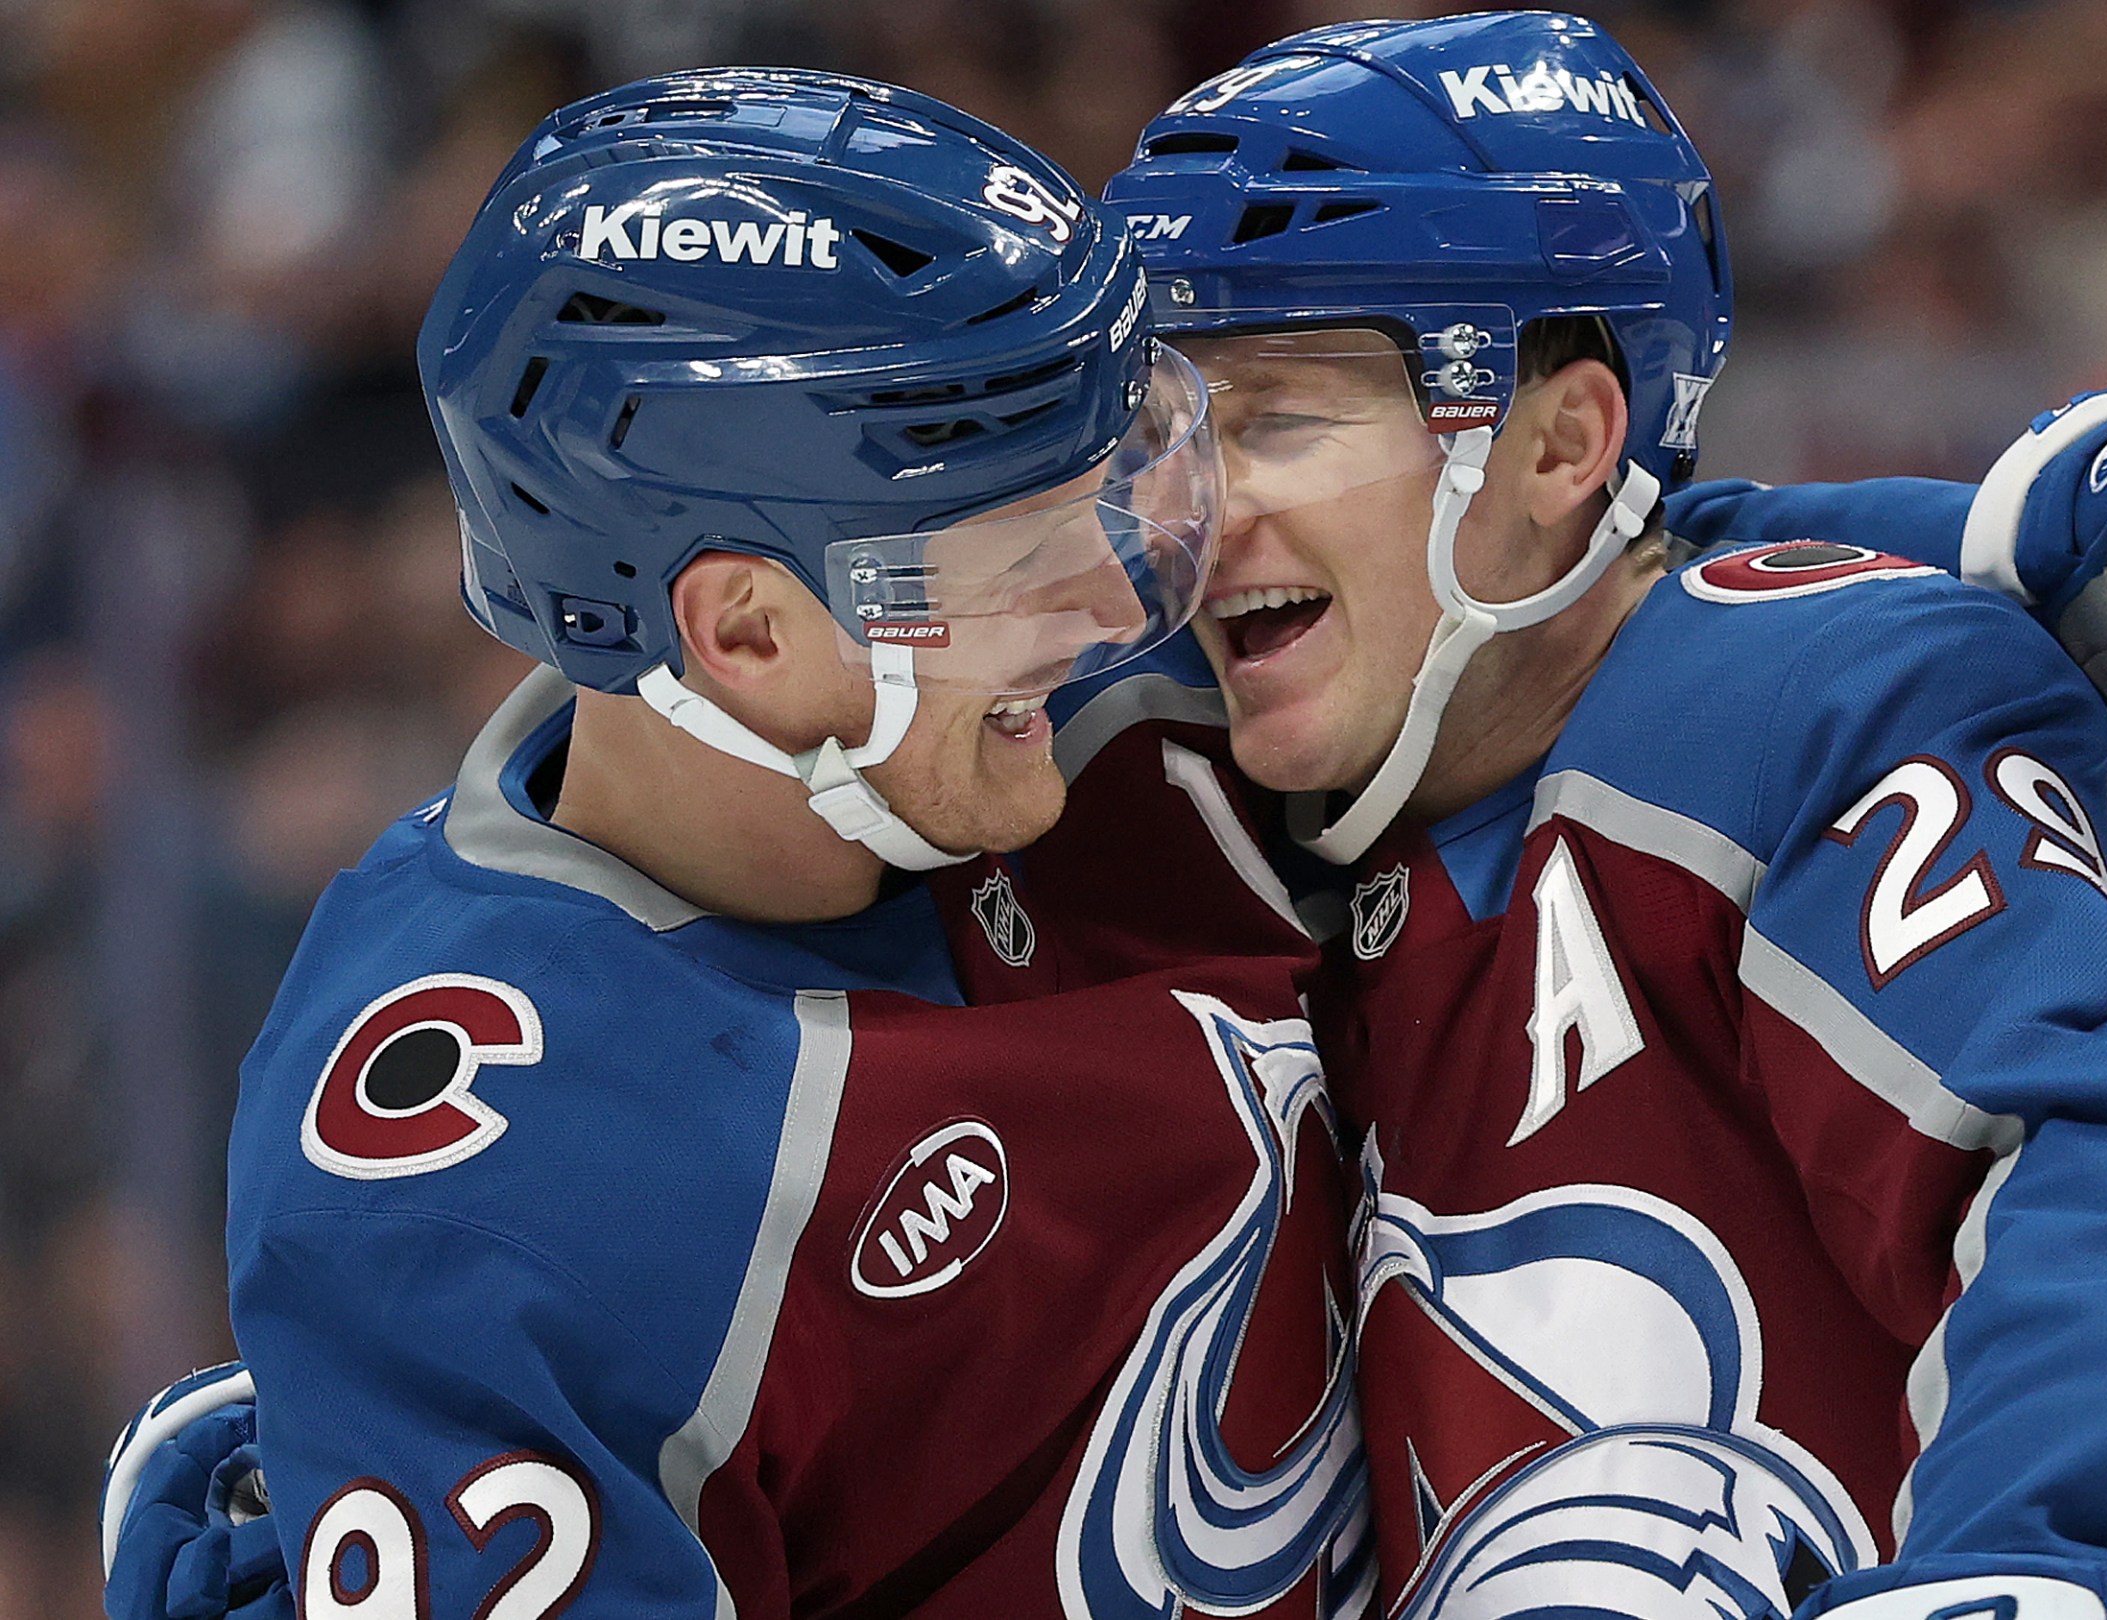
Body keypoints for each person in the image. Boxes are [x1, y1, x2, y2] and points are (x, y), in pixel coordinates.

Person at [1096, 14, 2107, 1619]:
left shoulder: (1778, 710)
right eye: (1168, 431)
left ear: (1557, 441)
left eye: (1279, 418)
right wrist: (1964, 531)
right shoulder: (1188, 780)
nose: (1196, 506)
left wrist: (2028, 1564)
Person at [99, 69, 1379, 1620]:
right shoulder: (483, 1201)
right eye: (1027, 559)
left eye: (1105, 502)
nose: (1117, 610)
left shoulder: (1109, 733)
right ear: (750, 633)